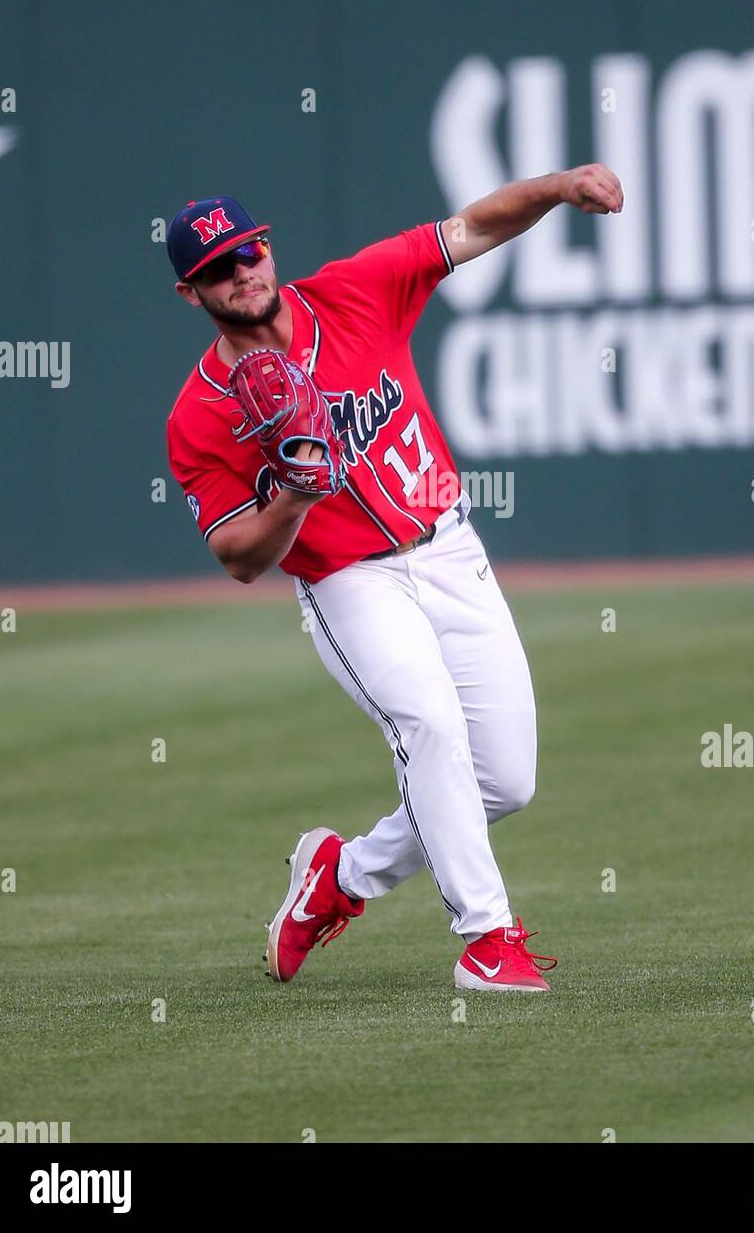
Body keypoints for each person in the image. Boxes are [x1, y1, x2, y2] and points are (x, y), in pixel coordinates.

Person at [165, 164, 623, 992]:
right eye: (217, 272)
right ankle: (489, 941)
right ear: (191, 294)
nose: (241, 275)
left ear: (267, 248)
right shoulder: (200, 414)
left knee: (505, 781)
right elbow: (238, 556)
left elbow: (472, 228)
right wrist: (297, 498)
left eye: (247, 254)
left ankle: (340, 880)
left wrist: (559, 187)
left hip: (446, 543)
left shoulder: (354, 291)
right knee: (432, 730)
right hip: (348, 583)